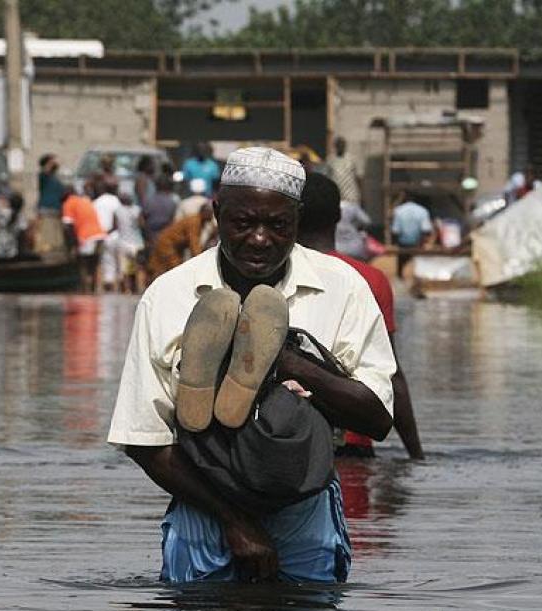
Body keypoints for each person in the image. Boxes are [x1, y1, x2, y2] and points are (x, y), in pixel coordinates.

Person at [108, 146, 397, 584]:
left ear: (297, 221)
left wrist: (288, 363)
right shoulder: (169, 295)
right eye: (243, 223)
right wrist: (233, 521)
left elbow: (377, 419)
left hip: (303, 498)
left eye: (277, 225)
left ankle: (271, 364)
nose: (260, 238)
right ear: (218, 212)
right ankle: (221, 384)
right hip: (207, 501)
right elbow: (144, 439)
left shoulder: (343, 289)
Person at [298, 172, 424, 460]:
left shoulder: (272, 274)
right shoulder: (371, 278)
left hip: (285, 437)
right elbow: (392, 374)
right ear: (338, 217)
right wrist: (416, 454)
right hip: (353, 440)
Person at [146, 202, 217, 282]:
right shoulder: (194, 222)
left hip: (174, 246)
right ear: (205, 213)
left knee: (167, 267)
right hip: (168, 244)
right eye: (211, 213)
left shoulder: (200, 221)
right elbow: (194, 244)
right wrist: (200, 260)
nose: (212, 216)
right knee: (174, 268)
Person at [62, 188, 106, 292]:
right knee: (94, 264)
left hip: (86, 236)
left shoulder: (68, 203)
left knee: (83, 264)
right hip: (100, 234)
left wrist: (72, 245)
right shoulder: (85, 201)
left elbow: (67, 226)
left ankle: (85, 290)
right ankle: (94, 290)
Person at [0, 192, 28, 262]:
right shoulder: (21, 218)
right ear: (21, 206)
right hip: (12, 257)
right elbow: (24, 237)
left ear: (9, 203)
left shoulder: (0, 212)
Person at [324, 136, 360, 206]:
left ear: (345, 145)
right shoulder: (330, 160)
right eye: (338, 144)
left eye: (342, 144)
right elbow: (327, 178)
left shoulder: (351, 159)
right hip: (337, 198)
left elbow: (358, 178)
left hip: (351, 197)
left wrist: (362, 196)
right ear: (335, 146)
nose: (341, 146)